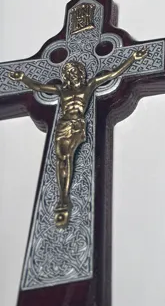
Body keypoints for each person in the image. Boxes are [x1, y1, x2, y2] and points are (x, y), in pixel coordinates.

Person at [9, 50, 147, 226]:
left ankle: (65, 198)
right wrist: (23, 78)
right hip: (63, 125)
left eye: (75, 71)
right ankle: (63, 196)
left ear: (81, 73)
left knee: (69, 156)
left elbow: (113, 74)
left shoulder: (89, 86)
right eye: (70, 73)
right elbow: (39, 87)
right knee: (61, 159)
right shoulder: (61, 90)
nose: (73, 74)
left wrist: (132, 58)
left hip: (76, 125)